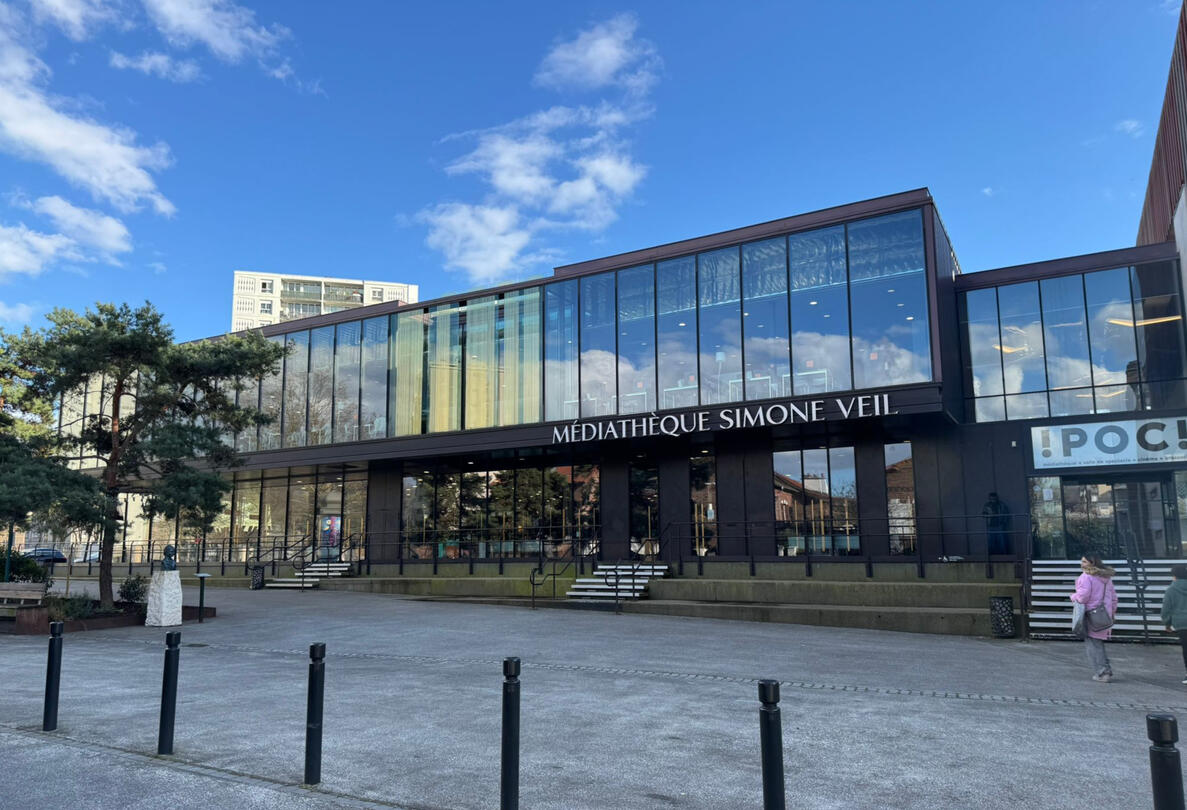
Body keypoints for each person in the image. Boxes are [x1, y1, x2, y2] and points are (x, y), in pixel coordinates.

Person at [1070, 555, 1119, 682]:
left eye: (1084, 561)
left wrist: (1073, 597)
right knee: (1098, 643)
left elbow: (1083, 597)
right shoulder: (1106, 578)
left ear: (1092, 563)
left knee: (1093, 644)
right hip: (1104, 614)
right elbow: (1114, 597)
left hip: (1091, 614)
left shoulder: (1086, 577)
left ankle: (1102, 672)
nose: (1082, 564)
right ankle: (1105, 670)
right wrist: (1112, 613)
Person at [1161, 564, 1187, 684]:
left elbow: (1166, 609)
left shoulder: (1171, 590)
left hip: (1181, 623)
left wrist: (1167, 623)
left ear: (1174, 576)